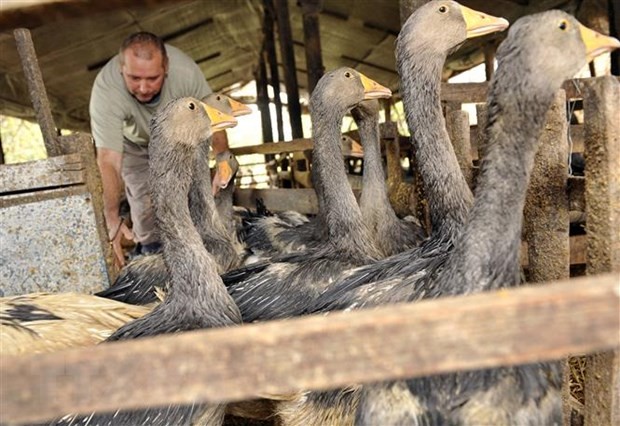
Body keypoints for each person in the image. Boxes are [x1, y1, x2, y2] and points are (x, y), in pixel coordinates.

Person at [89, 31, 228, 267]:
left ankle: (196, 250)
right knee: (144, 202)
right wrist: (111, 217)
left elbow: (215, 117)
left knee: (191, 190)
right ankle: (152, 255)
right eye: (133, 78)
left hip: (177, 136)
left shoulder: (186, 72)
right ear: (121, 68)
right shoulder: (106, 89)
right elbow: (109, 160)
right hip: (135, 144)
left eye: (152, 78)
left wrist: (223, 159)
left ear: (166, 68)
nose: (143, 88)